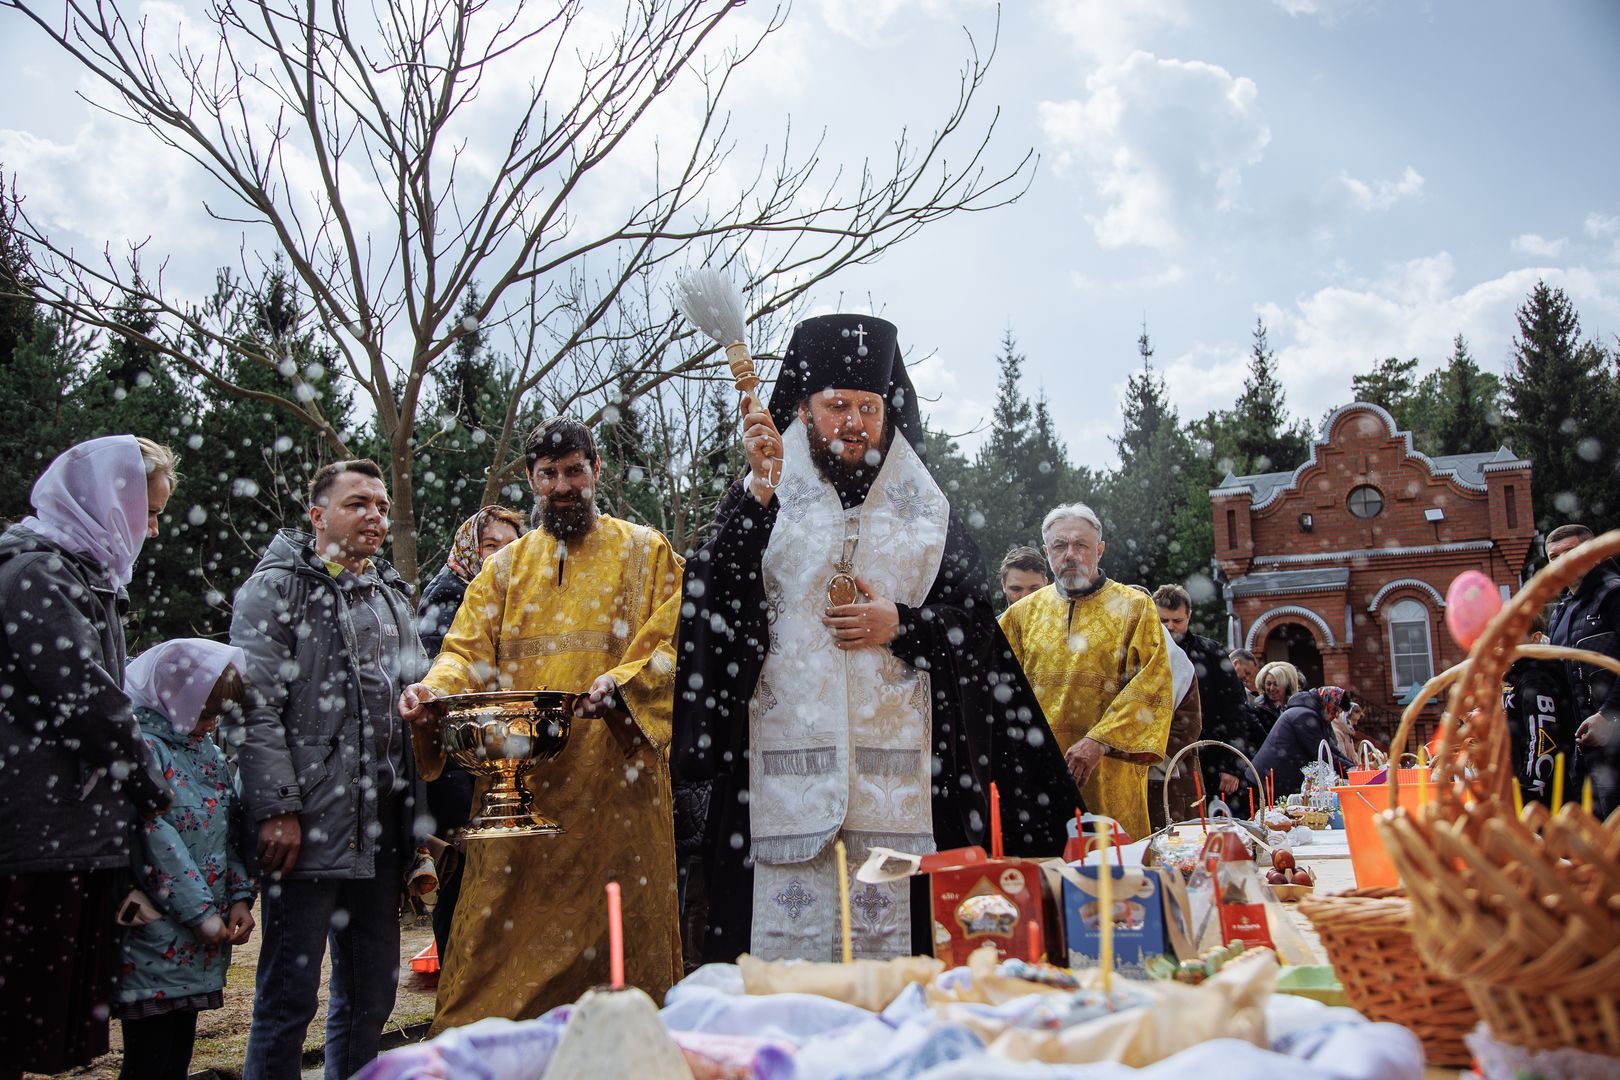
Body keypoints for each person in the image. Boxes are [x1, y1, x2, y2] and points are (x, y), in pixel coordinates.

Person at [673, 314, 1079, 964]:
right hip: (777, 783)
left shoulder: (930, 515)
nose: (854, 422)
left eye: (868, 407)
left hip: (906, 788)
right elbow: (712, 607)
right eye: (837, 406)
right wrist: (756, 493)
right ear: (803, 410)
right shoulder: (763, 496)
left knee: (903, 979)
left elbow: (977, 635)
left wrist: (906, 627)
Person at [398, 417, 684, 1028]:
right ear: (530, 479)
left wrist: (623, 682)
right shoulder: (502, 570)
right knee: (492, 946)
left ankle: (625, 1053)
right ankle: (489, 1056)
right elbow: (465, 653)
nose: (562, 486)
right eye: (549, 474)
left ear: (596, 470)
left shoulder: (645, 551)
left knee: (621, 948)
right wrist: (432, 692)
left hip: (617, 788)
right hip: (520, 791)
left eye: (574, 471)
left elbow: (670, 642)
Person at [230, 459, 428, 1080]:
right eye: (356, 504)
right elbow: (253, 707)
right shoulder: (275, 589)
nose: (373, 515)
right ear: (317, 516)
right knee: (289, 998)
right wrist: (277, 808)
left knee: (372, 995)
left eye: (378, 504)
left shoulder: (394, 595)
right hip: (307, 824)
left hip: (383, 825)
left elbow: (417, 688)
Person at [0, 435, 178, 1079]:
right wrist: (152, 779)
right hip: (37, 829)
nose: (152, 532)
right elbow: (84, 699)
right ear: (108, 504)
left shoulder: (82, 575)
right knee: (16, 1019)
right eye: (148, 514)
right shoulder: (37, 574)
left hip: (66, 827)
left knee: (32, 1023)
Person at [116, 640, 257, 1080]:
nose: (209, 725)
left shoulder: (208, 755)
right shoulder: (146, 754)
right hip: (158, 933)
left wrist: (239, 896)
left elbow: (229, 831)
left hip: (199, 937)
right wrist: (199, 914)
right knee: (150, 1059)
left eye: (215, 716)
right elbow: (159, 840)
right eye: (203, 714)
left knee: (177, 1051)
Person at [1000, 503, 1173, 841]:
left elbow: (1153, 685)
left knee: (1116, 875)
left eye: (1081, 545)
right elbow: (997, 687)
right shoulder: (1019, 616)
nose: (1071, 554)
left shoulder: (1135, 608)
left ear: (1100, 550)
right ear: (1047, 552)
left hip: (1108, 771)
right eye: (1060, 546)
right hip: (1038, 772)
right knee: (1048, 874)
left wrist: (1099, 740)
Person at [413, 504, 525, 958]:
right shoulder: (452, 595)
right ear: (468, 550)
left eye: (512, 545)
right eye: (490, 545)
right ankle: (454, 973)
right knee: (461, 873)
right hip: (462, 759)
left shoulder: (519, 595)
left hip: (500, 752)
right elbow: (453, 672)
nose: (500, 555)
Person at [1154, 585, 1263, 807]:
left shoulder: (1211, 654)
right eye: (1163, 621)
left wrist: (1231, 766)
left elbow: (1235, 710)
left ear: (1189, 616)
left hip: (1210, 757)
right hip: (1160, 757)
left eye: (1177, 621)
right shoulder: (1147, 652)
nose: (1170, 627)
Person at [1544, 523, 1620, 815]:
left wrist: (1609, 715)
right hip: (1583, 750)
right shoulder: (1561, 611)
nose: (1564, 561)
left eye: (1572, 551)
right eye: (1554, 557)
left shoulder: (1614, 594)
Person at [1504, 608, 1578, 805]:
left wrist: (1528, 790)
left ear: (1535, 638)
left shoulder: (1536, 680)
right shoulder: (1519, 678)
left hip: (1544, 799)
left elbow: (1542, 740)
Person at [1251, 686, 1355, 799]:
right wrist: (1350, 771)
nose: (1335, 716)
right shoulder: (1305, 716)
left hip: (1275, 780)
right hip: (1268, 782)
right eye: (1335, 710)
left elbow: (1330, 748)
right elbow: (1321, 754)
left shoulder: (1314, 715)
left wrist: (1352, 767)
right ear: (1328, 703)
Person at [1252, 660, 1303, 731]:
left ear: (1287, 686)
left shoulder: (1296, 705)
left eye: (1276, 684)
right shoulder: (1258, 709)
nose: (1272, 688)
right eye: (1268, 684)